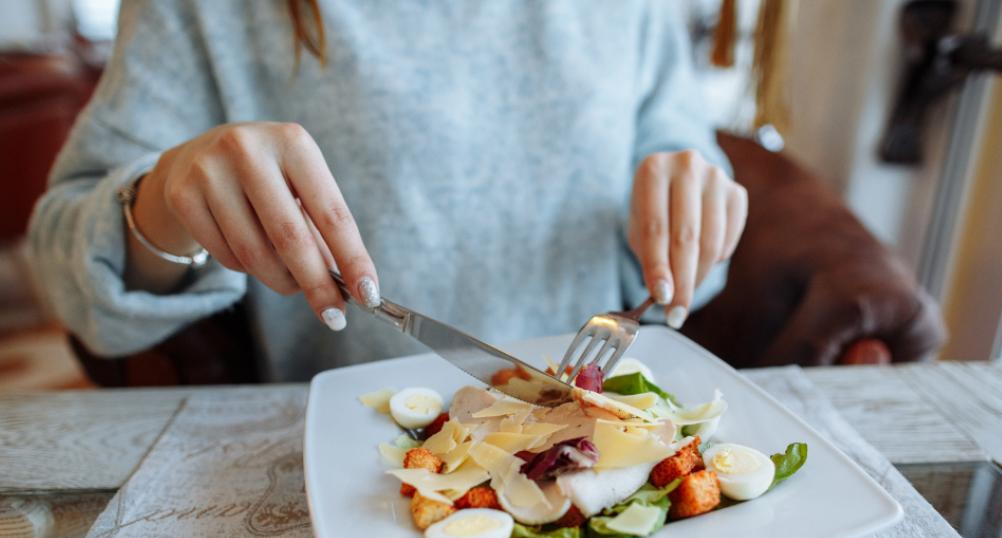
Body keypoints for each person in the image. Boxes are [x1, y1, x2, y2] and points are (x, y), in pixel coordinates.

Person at [29, 0, 747, 382]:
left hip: (606, 434)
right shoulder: (201, 10)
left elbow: (685, 180)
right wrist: (164, 202)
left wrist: (694, 215)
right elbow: (65, 277)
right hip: (362, 471)